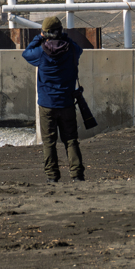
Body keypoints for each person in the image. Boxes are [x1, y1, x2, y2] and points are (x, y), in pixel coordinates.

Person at [22, 16, 85, 182]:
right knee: (71, 140)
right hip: (66, 102)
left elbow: (26, 53)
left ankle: (52, 177)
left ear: (45, 33)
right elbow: (79, 49)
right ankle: (77, 175)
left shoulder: (41, 52)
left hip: (46, 104)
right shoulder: (71, 49)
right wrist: (64, 37)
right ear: (60, 31)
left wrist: (38, 37)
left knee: (49, 142)